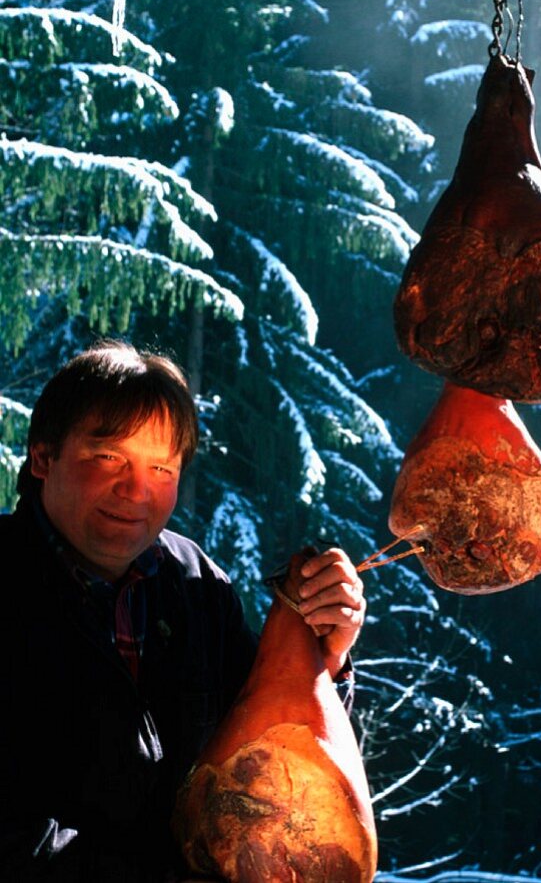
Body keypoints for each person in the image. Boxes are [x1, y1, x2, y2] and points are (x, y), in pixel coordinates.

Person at [0, 341, 366, 882]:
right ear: (43, 456)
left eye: (162, 469)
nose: (136, 490)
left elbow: (266, 748)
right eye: (108, 458)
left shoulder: (195, 584)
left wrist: (326, 657)